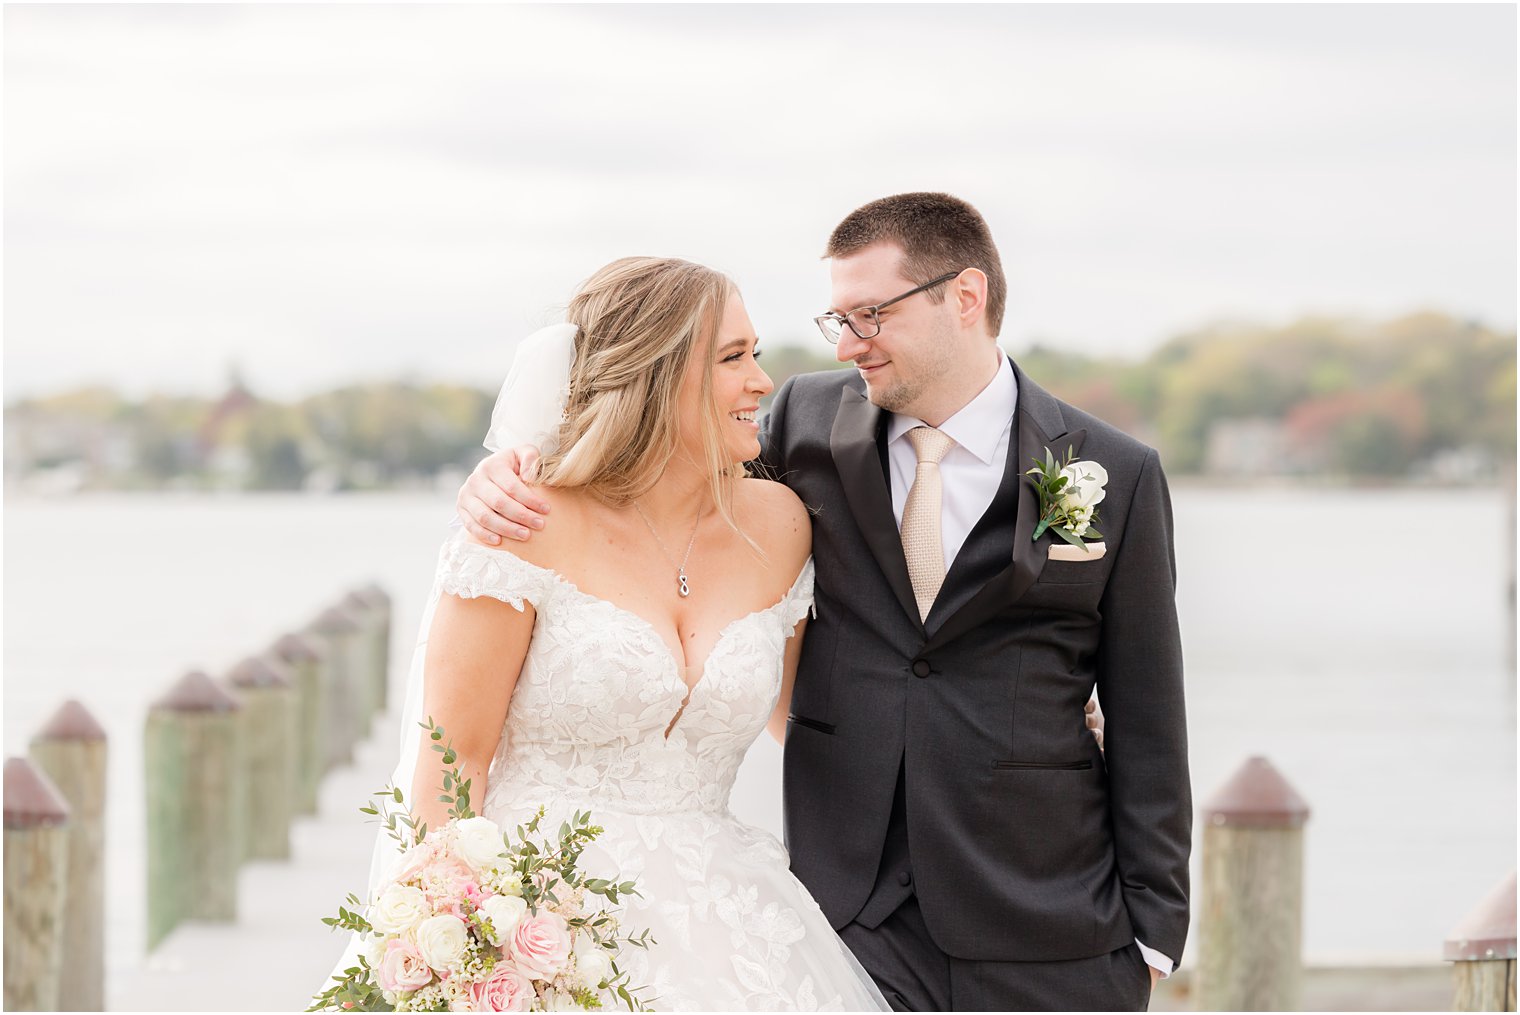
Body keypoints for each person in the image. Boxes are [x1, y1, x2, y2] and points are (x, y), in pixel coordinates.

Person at [456, 193, 1192, 1011]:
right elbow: (654, 474)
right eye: (837, 317)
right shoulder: (801, 425)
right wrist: (513, 468)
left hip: (1050, 924)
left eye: (869, 316)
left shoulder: (1113, 474)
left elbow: (1149, 716)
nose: (846, 344)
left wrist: (1153, 935)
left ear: (966, 297)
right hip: (846, 923)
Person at [349, 256, 890, 1010]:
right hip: (539, 919)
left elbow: (801, 714)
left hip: (729, 926)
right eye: (732, 357)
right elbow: (452, 762)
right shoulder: (521, 524)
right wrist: (461, 954)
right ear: (653, 376)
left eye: (755, 353)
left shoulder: (781, 524)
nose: (762, 382)